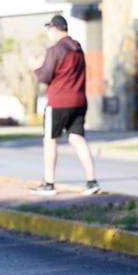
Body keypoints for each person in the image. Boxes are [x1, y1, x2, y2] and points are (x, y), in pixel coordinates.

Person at [30, 14, 100, 196]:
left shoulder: (55, 50)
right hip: (79, 100)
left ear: (55, 30)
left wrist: (35, 67)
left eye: (50, 30)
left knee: (50, 140)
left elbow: (45, 75)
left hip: (59, 102)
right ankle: (92, 182)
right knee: (77, 138)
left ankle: (49, 183)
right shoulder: (78, 48)